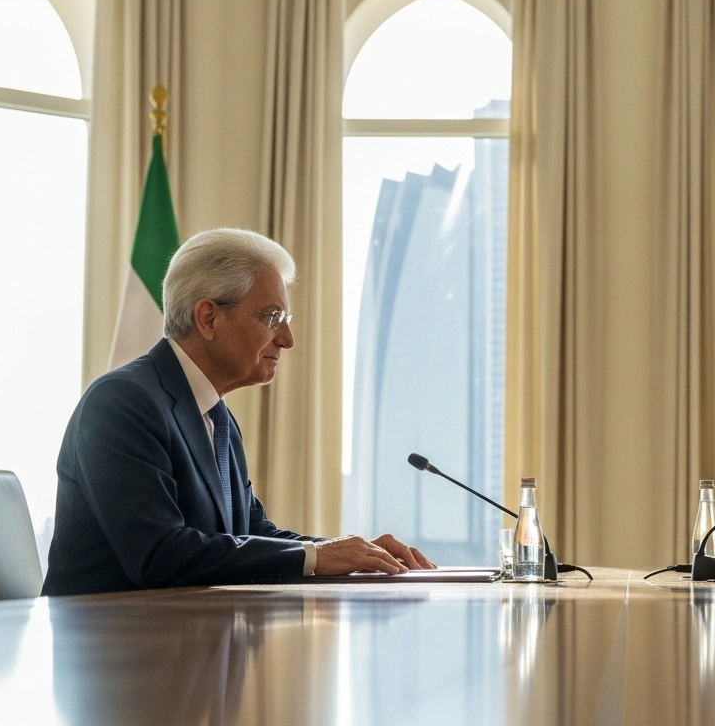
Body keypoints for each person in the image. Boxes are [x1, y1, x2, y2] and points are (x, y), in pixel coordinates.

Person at [43, 228, 434, 596]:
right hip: (112, 654)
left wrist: (353, 553)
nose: (287, 339)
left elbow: (250, 532)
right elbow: (159, 555)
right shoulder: (122, 402)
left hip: (186, 645)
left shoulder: (216, 415)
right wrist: (318, 558)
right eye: (272, 318)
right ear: (209, 318)